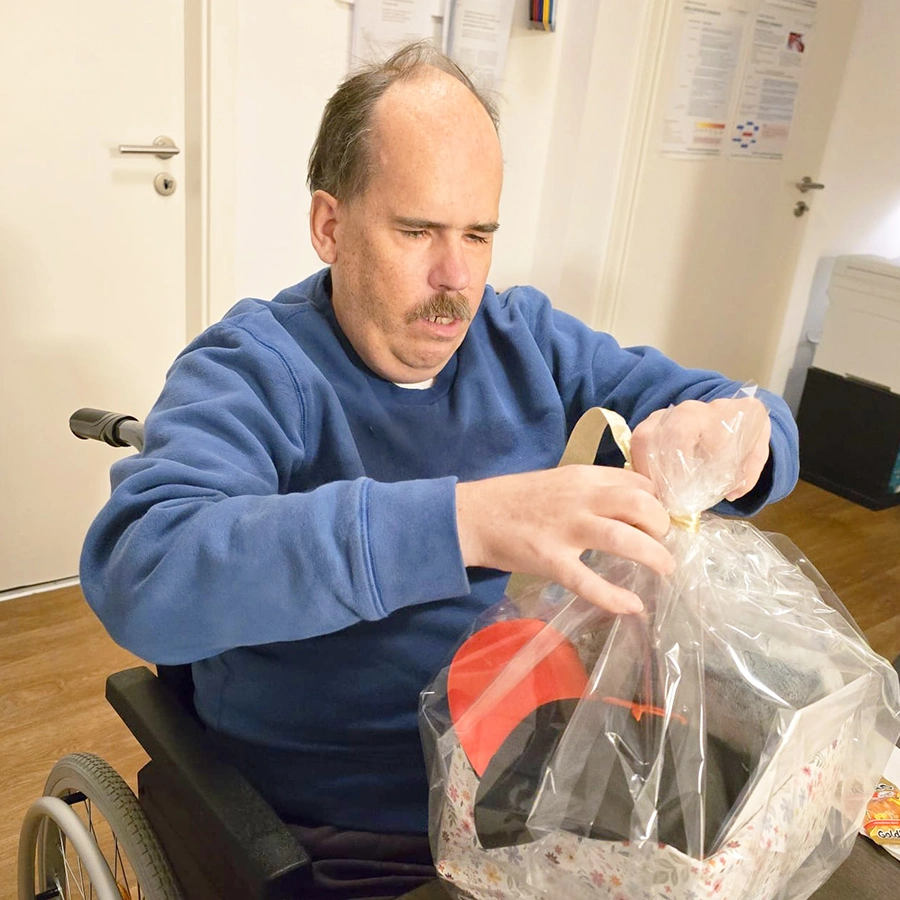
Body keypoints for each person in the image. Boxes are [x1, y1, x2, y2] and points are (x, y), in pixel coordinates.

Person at [80, 43, 798, 898]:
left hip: (537, 771)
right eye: (417, 231)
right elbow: (144, 571)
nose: (457, 278)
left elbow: (737, 403)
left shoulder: (523, 337)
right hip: (353, 825)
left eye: (479, 234)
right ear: (330, 225)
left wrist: (743, 425)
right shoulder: (253, 368)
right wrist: (468, 521)